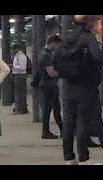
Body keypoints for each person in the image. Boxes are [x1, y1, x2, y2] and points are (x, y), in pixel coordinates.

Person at [53, 15, 103, 165]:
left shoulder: (67, 38)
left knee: (68, 122)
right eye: (95, 21)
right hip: (84, 86)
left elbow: (55, 58)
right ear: (88, 23)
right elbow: (98, 57)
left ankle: (69, 158)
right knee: (83, 121)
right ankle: (83, 158)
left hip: (67, 86)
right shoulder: (88, 38)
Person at [37, 35, 64, 139]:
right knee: (50, 109)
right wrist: (64, 72)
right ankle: (46, 132)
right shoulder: (46, 55)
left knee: (54, 109)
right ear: (53, 42)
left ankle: (61, 130)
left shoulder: (43, 53)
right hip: (49, 85)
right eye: (57, 45)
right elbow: (51, 73)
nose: (57, 48)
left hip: (47, 85)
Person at [10, 44, 28, 114]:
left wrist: (13, 66)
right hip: (17, 75)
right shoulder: (16, 56)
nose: (11, 51)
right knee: (18, 93)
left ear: (16, 49)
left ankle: (21, 109)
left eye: (12, 49)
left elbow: (23, 68)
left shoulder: (21, 56)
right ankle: (19, 107)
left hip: (20, 76)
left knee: (20, 93)